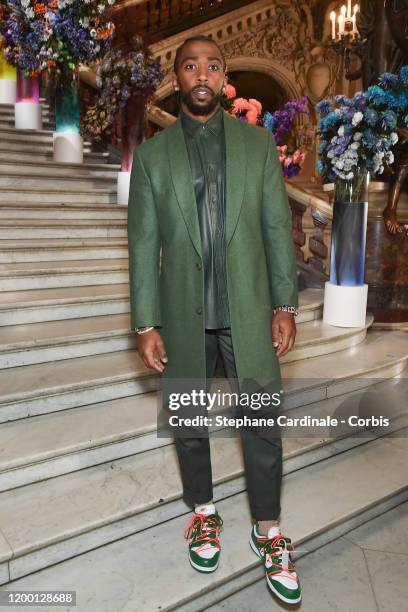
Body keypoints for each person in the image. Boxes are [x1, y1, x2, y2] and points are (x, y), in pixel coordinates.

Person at [127, 35, 301, 605]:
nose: (201, 73)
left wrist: (285, 303)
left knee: (262, 427)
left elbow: (278, 228)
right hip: (182, 313)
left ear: (225, 78)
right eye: (189, 65)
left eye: (212, 65)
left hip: (248, 309)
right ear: (176, 77)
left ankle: (267, 529)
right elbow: (143, 244)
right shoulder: (153, 157)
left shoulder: (257, 146)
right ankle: (203, 512)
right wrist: (145, 322)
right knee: (189, 422)